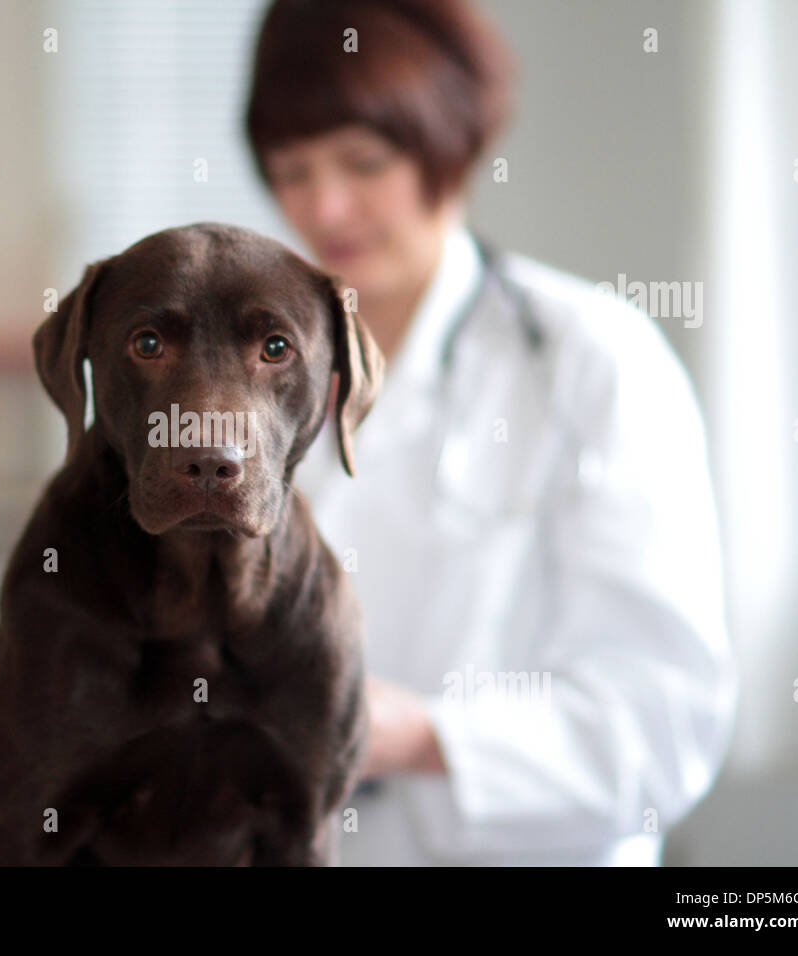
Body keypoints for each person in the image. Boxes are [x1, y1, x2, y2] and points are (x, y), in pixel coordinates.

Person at [244, 0, 738, 865]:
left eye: (364, 161)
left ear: (451, 146)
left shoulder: (592, 361)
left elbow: (663, 722)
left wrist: (417, 736)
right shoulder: (257, 380)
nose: (325, 206)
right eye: (291, 171)